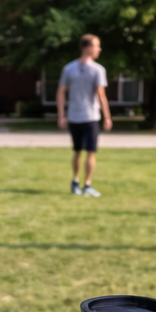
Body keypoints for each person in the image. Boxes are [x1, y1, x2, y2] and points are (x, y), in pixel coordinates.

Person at [56, 34, 112, 196]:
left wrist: (107, 117)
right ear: (86, 48)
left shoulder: (98, 70)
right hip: (74, 117)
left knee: (90, 151)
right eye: (96, 46)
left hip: (91, 117)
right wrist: (61, 115)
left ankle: (87, 185)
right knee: (77, 150)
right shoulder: (69, 68)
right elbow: (60, 92)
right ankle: (75, 182)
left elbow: (101, 95)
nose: (99, 49)